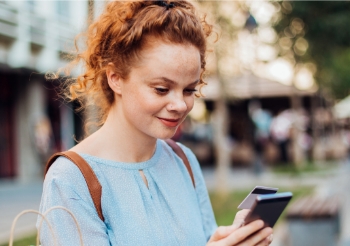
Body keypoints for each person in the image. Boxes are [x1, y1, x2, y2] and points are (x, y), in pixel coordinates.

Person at [37, 1, 273, 245]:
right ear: (115, 78)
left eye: (190, 90)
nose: (180, 105)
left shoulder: (184, 161)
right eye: (162, 89)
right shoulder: (70, 180)